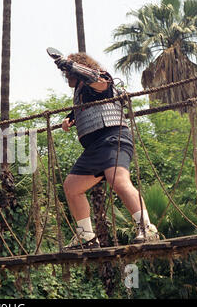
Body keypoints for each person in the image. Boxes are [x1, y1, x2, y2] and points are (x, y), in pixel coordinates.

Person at [53, 53, 159, 250]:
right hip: (94, 148)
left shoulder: (101, 77)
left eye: (69, 72)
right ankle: (86, 236)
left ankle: (147, 227)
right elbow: (89, 107)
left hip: (113, 139)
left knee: (118, 180)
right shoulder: (81, 92)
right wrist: (70, 118)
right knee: (72, 186)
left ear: (80, 67)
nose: (67, 75)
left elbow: (100, 85)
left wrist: (70, 65)